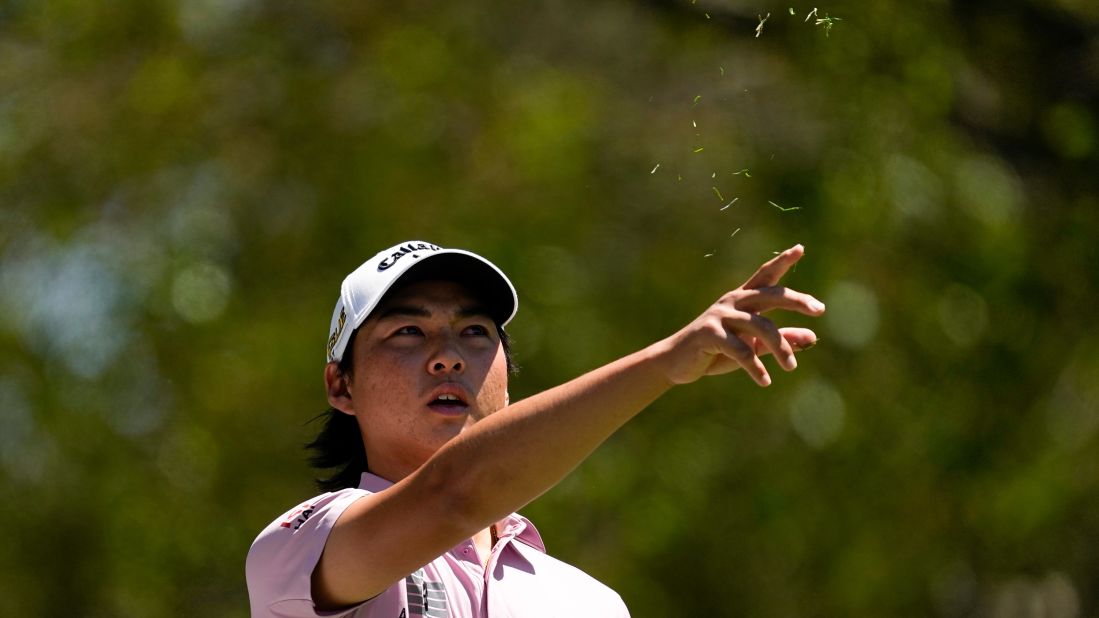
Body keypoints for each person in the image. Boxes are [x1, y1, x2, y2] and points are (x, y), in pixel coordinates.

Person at [246, 239, 825, 617]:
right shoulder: (298, 549)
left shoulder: (589, 605)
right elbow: (456, 494)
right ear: (341, 386)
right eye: (407, 333)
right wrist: (666, 363)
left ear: (507, 377)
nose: (448, 356)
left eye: (475, 332)